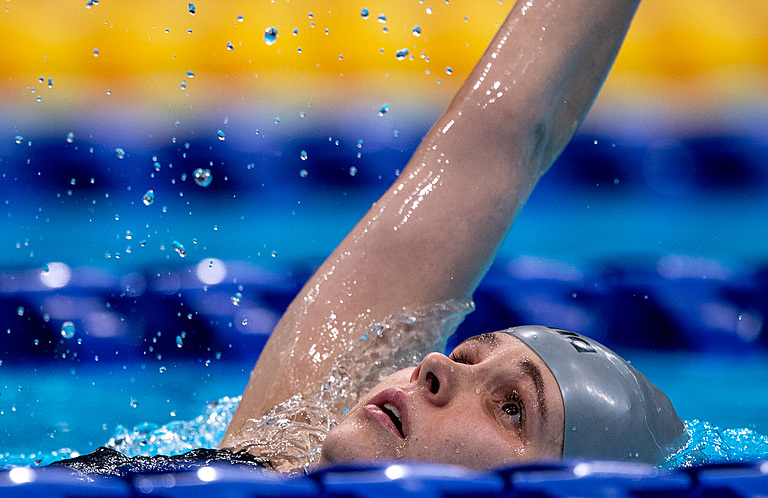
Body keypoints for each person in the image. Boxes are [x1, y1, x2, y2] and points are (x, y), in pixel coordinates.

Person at [219, 0, 687, 472]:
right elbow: (505, 132)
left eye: (512, 408)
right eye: (463, 355)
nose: (433, 367)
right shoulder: (274, 451)